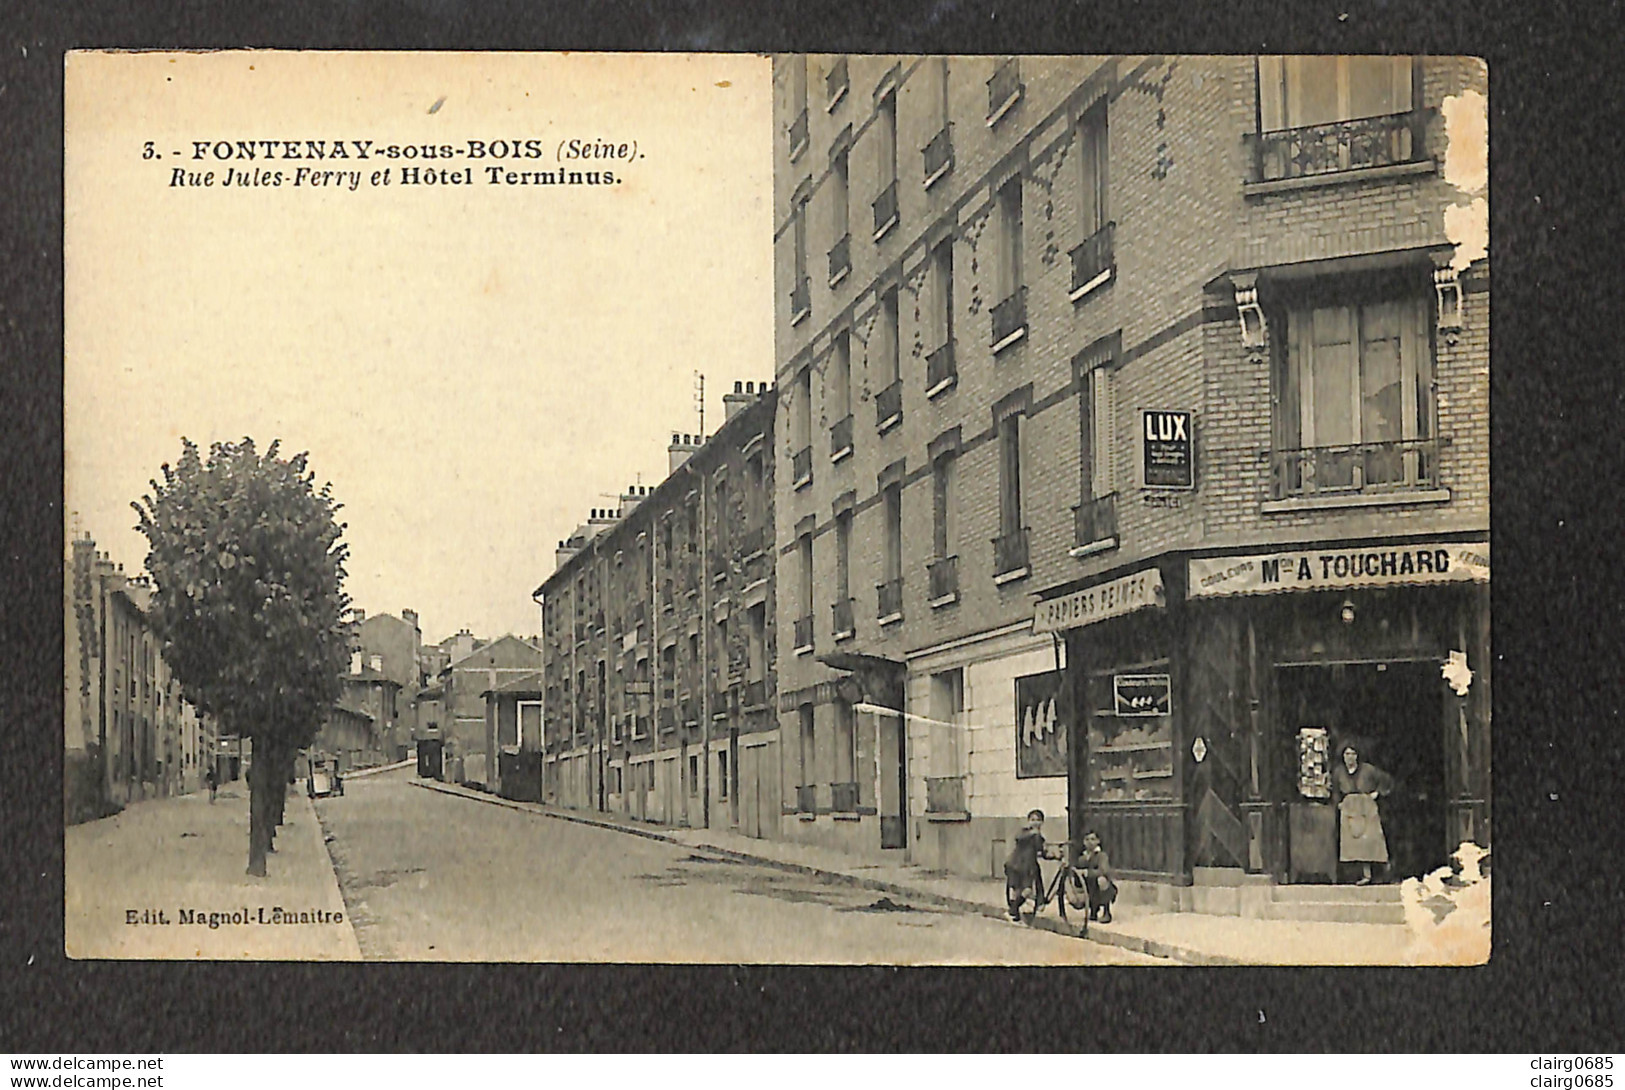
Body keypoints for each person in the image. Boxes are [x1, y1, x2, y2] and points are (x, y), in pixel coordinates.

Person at [1332, 742, 1395, 885]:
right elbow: (1335, 790)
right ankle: (1355, 875)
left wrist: (1377, 793)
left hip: (1366, 808)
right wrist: (1339, 804)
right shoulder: (1338, 772)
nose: (1350, 757)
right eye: (1347, 754)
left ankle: (1378, 872)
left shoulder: (1368, 770)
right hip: (1349, 809)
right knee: (1352, 843)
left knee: (1370, 840)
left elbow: (1386, 781)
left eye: (1353, 754)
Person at [1004, 809, 1060, 922]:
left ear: (1042, 822)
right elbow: (1018, 837)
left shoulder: (1039, 837)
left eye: (1038, 820)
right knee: (1024, 890)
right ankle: (1012, 911)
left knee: (1034, 881)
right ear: (1028, 821)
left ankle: (1037, 903)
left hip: (1030, 866)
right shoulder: (1024, 832)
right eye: (1032, 820)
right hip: (1018, 864)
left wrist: (1054, 855)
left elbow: (1042, 852)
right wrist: (1032, 833)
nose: (1035, 822)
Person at [1076, 829, 1118, 923]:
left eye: (1092, 839)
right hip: (1089, 887)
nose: (1090, 842)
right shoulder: (1082, 857)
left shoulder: (1101, 855)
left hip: (1101, 887)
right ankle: (1093, 911)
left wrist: (1088, 872)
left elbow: (1104, 870)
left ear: (1098, 841)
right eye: (1087, 839)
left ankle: (1106, 912)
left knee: (1101, 880)